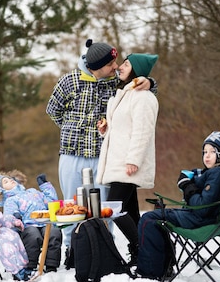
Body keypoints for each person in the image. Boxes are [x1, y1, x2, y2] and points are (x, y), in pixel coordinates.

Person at [46, 38, 156, 249]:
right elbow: (53, 110)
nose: (115, 67)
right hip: (71, 154)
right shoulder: (68, 81)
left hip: (101, 156)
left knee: (105, 210)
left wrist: (150, 82)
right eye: (110, 64)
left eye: (116, 62)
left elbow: (145, 93)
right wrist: (72, 129)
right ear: (95, 67)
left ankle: (106, 251)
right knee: (72, 207)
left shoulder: (116, 81)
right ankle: (72, 250)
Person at [135, 130, 220, 279]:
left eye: (212, 151)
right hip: (215, 219)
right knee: (158, 219)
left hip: (201, 220)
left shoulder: (216, 173)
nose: (206, 155)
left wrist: (187, 187)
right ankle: (163, 266)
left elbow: (202, 207)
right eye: (204, 151)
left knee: (148, 219)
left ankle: (150, 272)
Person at [96, 53, 159, 265]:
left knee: (114, 208)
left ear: (136, 69)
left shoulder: (144, 97)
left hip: (127, 163)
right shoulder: (125, 93)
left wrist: (134, 159)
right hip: (118, 162)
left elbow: (143, 131)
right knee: (130, 212)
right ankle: (141, 254)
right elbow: (124, 129)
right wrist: (106, 130)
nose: (120, 67)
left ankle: (144, 249)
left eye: (125, 64)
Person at [0, 171, 63, 273]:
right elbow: (8, 216)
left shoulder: (32, 191)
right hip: (26, 226)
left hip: (45, 222)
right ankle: (30, 265)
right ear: (0, 190)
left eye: (9, 178)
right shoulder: (10, 200)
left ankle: (51, 265)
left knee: (54, 232)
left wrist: (45, 186)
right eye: (5, 182)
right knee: (33, 235)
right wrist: (15, 218)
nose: (10, 180)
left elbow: (51, 202)